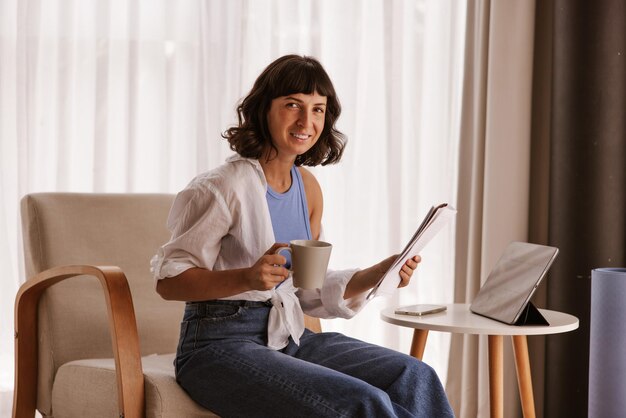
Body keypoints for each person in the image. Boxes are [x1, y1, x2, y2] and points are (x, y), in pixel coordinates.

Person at [151, 54, 454, 418]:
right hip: (216, 347)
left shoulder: (307, 188)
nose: (305, 121)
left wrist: (379, 273)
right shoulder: (221, 187)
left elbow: (306, 291)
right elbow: (169, 282)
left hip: (289, 338)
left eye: (318, 109)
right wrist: (246, 278)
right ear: (264, 109)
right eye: (293, 104)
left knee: (415, 375)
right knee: (361, 402)